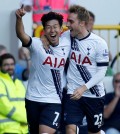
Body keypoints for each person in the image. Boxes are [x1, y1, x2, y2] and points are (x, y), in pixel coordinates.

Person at [15, 5, 70, 134]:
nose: (52, 30)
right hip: (32, 99)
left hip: (53, 100)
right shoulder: (37, 44)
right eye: (48, 27)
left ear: (61, 29)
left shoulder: (67, 41)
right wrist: (19, 19)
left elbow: (80, 29)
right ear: (44, 30)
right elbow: (21, 35)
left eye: (55, 26)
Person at [61, 5, 109, 134]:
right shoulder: (67, 36)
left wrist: (83, 88)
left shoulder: (99, 43)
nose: (67, 24)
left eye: (71, 21)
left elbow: (101, 73)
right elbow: (51, 39)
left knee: (94, 131)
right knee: (70, 128)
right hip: (73, 92)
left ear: (82, 23)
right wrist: (43, 38)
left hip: (94, 94)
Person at [0, 53, 28, 133]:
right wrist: (25, 118)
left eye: (12, 64)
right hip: (7, 129)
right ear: (0, 67)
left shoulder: (19, 83)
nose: (10, 67)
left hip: (23, 130)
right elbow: (5, 106)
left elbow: (27, 104)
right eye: (6, 65)